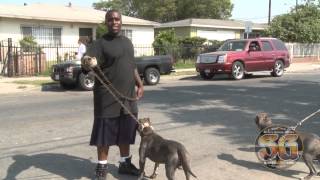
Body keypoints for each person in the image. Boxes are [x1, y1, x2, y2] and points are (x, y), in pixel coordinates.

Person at [82, 9, 144, 180]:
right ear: (106, 22)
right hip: (106, 97)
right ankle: (102, 167)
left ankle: (125, 163)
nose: (114, 22)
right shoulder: (99, 44)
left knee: (126, 131)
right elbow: (86, 62)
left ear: (121, 21)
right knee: (105, 134)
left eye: (117, 19)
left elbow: (132, 67)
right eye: (110, 20)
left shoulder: (127, 42)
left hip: (128, 96)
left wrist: (139, 84)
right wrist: (87, 62)